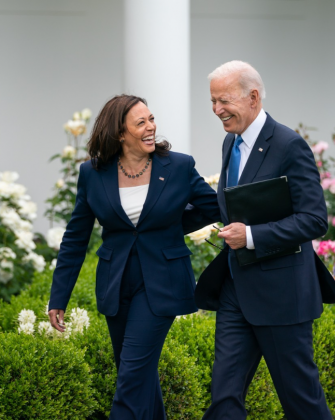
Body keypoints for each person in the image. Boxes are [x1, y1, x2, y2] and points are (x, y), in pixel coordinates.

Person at [48, 94, 220, 420]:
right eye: (141, 122)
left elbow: (211, 206)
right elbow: (75, 238)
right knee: (138, 377)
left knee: (130, 379)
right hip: (116, 284)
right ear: (119, 133)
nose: (151, 127)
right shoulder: (92, 173)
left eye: (151, 119)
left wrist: (170, 228)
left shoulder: (178, 166)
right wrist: (59, 297)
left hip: (162, 283)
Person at [198, 61, 335, 420]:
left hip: (283, 295)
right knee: (224, 398)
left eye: (224, 101)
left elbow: (314, 219)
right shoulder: (229, 143)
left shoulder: (289, 145)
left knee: (302, 403)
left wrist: (250, 236)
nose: (217, 110)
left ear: (253, 97)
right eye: (212, 101)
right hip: (236, 291)